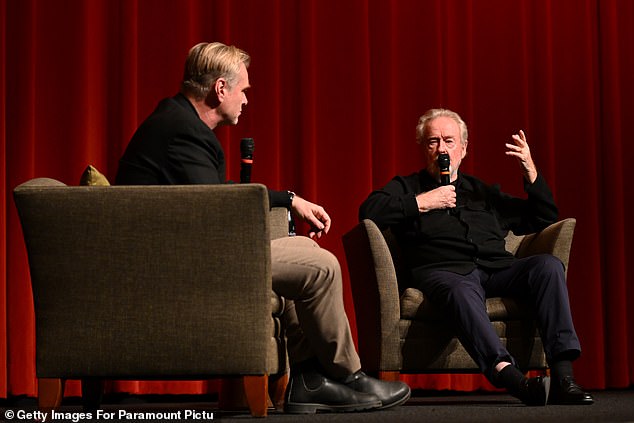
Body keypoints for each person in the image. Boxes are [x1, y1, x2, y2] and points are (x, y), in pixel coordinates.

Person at [115, 42, 410, 414]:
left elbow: (215, 198)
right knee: (321, 266)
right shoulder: (183, 133)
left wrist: (287, 199)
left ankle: (310, 379)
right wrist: (285, 201)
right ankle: (348, 377)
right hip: (175, 268)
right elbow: (217, 210)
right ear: (220, 89)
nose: (246, 101)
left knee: (307, 255)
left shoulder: (177, 121)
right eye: (243, 91)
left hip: (183, 253)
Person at [358, 108, 593, 406]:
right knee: (459, 289)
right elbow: (368, 212)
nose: (441, 149)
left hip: (497, 269)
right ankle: (510, 377)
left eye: (448, 140)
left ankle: (563, 376)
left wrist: (530, 172)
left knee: (547, 266)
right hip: (445, 272)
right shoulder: (407, 187)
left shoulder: (481, 192)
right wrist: (421, 203)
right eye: (432, 142)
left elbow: (542, 217)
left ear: (464, 148)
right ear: (423, 149)